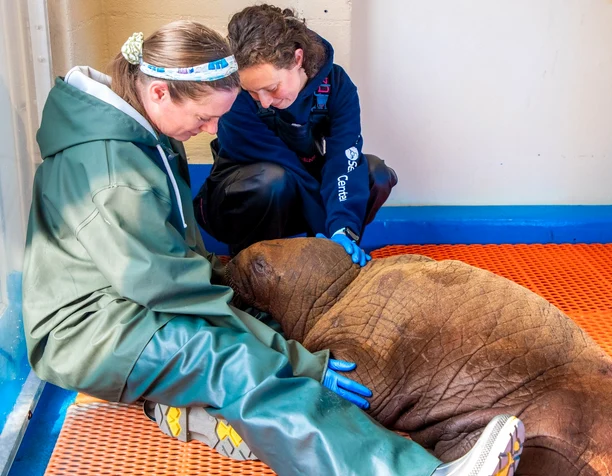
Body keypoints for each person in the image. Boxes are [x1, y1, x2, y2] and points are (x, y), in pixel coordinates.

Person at [21, 20, 524, 476]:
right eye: (204, 118)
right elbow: (169, 291)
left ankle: (189, 408)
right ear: (159, 92)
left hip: (127, 300)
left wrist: (332, 240)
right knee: (232, 357)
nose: (213, 131)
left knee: (260, 326)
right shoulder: (115, 175)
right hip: (90, 330)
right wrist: (301, 363)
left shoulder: (143, 131)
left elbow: (166, 261)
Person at [194, 5, 397, 266]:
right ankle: (253, 265)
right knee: (274, 179)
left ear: (297, 59)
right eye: (254, 93)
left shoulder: (337, 86)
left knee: (375, 174)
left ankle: (335, 253)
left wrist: (341, 229)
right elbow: (286, 166)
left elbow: (343, 159)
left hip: (301, 190)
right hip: (245, 198)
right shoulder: (233, 97)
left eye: (271, 88)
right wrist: (326, 222)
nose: (264, 102)